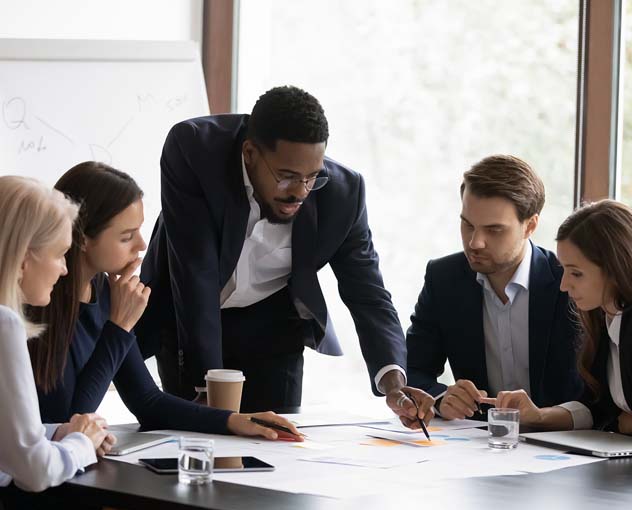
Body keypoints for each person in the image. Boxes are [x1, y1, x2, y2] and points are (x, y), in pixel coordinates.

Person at [137, 85, 433, 426]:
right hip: (190, 319)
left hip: (273, 327)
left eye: (312, 177)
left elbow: (368, 293)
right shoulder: (194, 150)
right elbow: (195, 273)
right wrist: (208, 387)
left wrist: (395, 384)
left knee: (278, 444)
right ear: (249, 154)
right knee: (196, 442)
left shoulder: (343, 194)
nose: (300, 192)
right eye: (287, 177)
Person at [28, 161, 303, 442]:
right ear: (82, 238)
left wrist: (235, 420)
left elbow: (146, 401)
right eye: (126, 237)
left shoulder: (107, 292)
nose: (142, 245)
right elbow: (67, 423)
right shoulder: (40, 301)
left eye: (138, 230)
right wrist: (119, 327)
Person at [406, 155, 583, 420]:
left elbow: (597, 393)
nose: (475, 242)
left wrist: (543, 417)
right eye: (468, 225)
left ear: (530, 226)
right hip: (477, 445)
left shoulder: (568, 283)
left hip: (560, 442)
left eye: (494, 230)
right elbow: (412, 369)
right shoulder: (443, 278)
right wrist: (442, 399)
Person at [0, 176, 114, 510]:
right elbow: (34, 471)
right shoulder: (4, 325)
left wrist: (59, 432)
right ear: (23, 259)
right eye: (60, 254)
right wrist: (82, 444)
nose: (65, 270)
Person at [488, 200, 632, 435]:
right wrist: (538, 416)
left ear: (615, 268)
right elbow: (596, 408)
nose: (563, 285)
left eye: (576, 273)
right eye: (564, 270)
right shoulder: (603, 319)